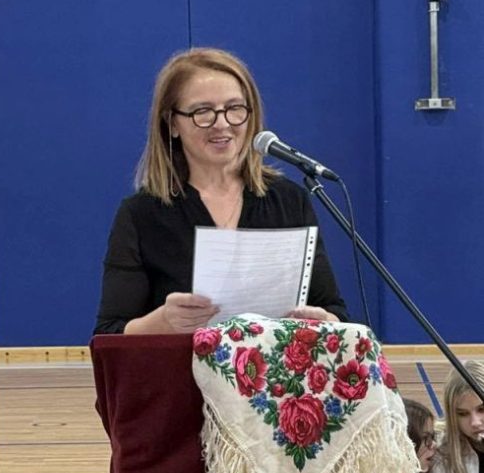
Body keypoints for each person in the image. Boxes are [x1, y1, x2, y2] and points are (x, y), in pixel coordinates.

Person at [94, 48, 348, 334]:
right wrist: (163, 322)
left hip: (274, 377)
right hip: (177, 375)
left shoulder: (289, 201)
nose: (223, 123)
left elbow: (333, 309)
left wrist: (325, 322)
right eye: (203, 112)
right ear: (171, 123)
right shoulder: (141, 214)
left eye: (234, 109)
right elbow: (109, 334)